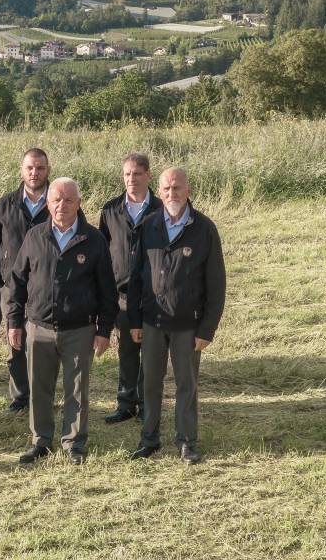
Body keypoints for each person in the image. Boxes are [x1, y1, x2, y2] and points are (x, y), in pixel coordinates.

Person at [7, 177, 116, 465]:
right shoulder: (35, 236)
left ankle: (73, 443)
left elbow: (108, 291)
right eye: (56, 199)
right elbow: (17, 282)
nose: (62, 205)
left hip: (79, 329)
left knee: (76, 390)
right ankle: (40, 440)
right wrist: (14, 322)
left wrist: (103, 330)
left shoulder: (94, 240)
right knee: (39, 389)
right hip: (38, 328)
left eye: (69, 200)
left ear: (79, 203)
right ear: (47, 203)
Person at [130, 168, 225, 465]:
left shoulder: (204, 229)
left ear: (189, 189)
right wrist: (135, 320)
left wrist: (206, 329)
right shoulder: (148, 226)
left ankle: (187, 442)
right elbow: (135, 278)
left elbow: (216, 283)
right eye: (167, 188)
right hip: (152, 323)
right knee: (150, 384)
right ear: (159, 191)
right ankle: (149, 439)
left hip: (188, 325)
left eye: (178, 188)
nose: (172, 193)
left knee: (186, 384)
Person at [98, 152, 162, 425]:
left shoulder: (162, 208)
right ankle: (125, 404)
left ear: (148, 175)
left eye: (137, 174)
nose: (131, 179)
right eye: (127, 174)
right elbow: (101, 252)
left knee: (151, 353)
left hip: (154, 295)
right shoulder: (110, 210)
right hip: (122, 295)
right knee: (126, 351)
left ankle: (148, 405)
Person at [0, 148, 52, 413]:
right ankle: (20, 396)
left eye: (39, 168)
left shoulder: (58, 201)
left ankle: (42, 393)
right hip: (11, 286)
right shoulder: (5, 205)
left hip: (46, 286)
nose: (34, 173)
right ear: (21, 170)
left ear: (48, 170)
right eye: (29, 168)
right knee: (16, 338)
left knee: (43, 341)